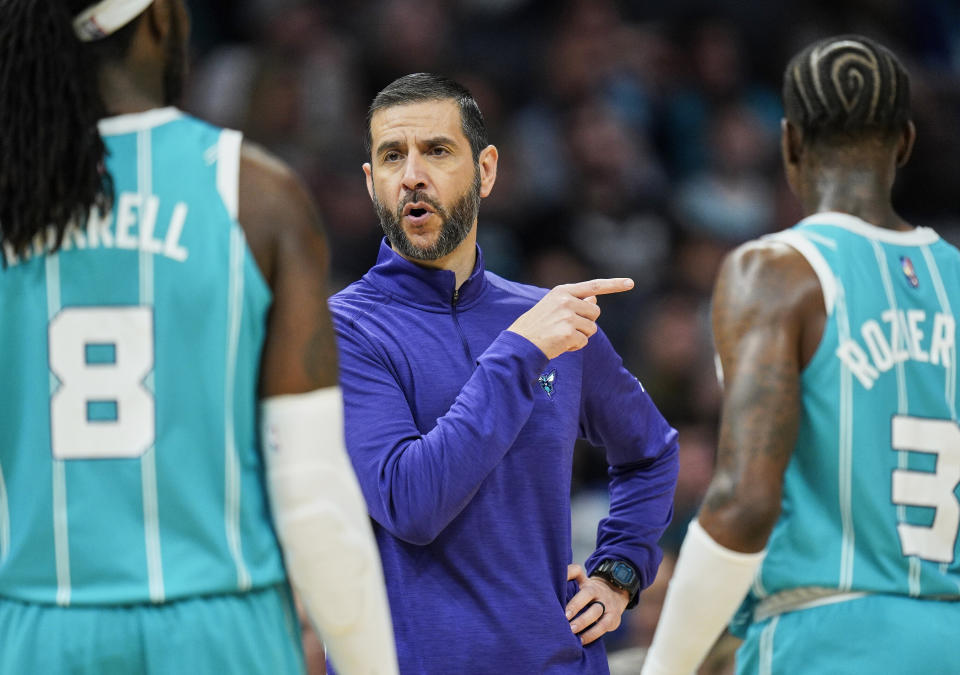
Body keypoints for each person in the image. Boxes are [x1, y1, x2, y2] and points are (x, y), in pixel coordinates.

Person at [0, 1, 397, 673]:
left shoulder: (12, 195)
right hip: (222, 623)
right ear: (158, 19)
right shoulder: (256, 196)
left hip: (39, 622)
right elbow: (311, 487)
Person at [328, 72, 679, 674]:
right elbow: (410, 502)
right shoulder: (344, 330)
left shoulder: (548, 320)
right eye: (392, 156)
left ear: (486, 170)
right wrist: (518, 354)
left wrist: (620, 572)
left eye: (437, 151)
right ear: (371, 183)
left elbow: (652, 452)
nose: (412, 173)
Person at [641, 35, 960, 675]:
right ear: (904, 142)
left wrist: (666, 665)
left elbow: (744, 502)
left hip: (824, 635)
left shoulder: (777, 273)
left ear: (788, 141)